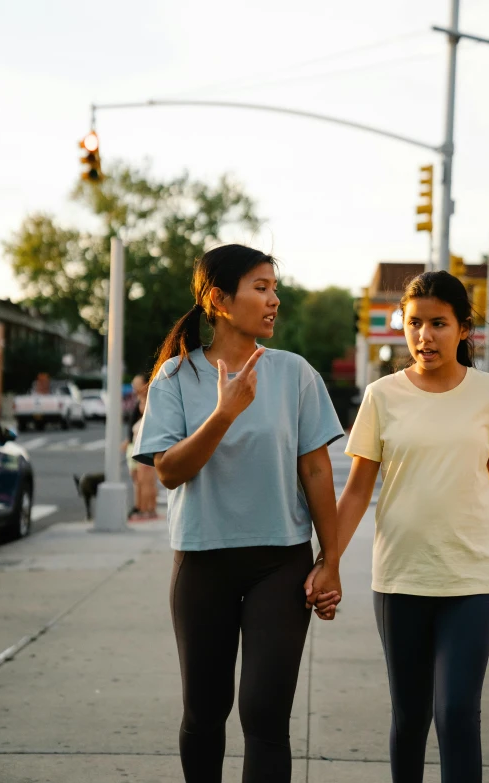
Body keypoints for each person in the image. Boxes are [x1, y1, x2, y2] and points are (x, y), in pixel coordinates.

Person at [133, 244, 342, 782]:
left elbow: (317, 473)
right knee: (205, 714)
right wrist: (223, 415)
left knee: (266, 716)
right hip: (202, 564)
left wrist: (331, 559)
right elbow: (169, 471)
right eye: (261, 287)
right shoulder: (175, 379)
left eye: (275, 287)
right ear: (219, 300)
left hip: (281, 563)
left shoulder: (295, 374)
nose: (275, 299)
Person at [307, 270, 489, 783]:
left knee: (457, 713)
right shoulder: (381, 395)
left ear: (464, 329)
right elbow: (356, 490)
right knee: (410, 716)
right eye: (414, 323)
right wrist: (327, 563)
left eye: (438, 324)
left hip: (470, 578)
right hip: (400, 578)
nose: (424, 336)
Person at [123, 374, 158, 519]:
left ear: (145, 384)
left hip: (145, 445)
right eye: (133, 384)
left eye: (137, 384)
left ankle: (147, 509)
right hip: (135, 443)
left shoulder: (149, 401)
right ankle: (141, 507)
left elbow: (150, 421)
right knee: (138, 480)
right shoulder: (139, 400)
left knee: (146, 480)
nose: (134, 387)